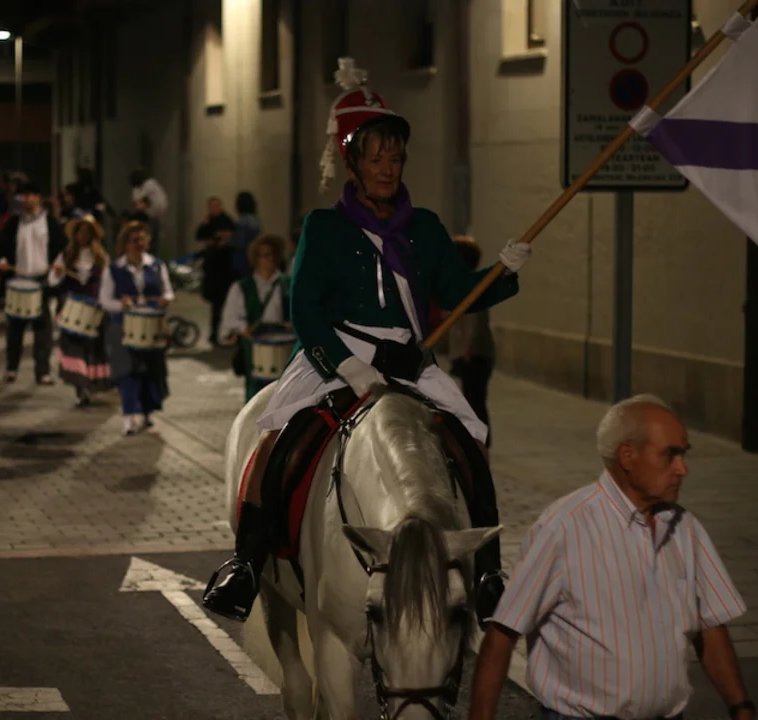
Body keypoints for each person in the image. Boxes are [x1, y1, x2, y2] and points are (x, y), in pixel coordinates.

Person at [202, 58, 531, 622]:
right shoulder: (324, 228)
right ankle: (247, 562)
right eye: (375, 158)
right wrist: (349, 366)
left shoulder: (425, 227)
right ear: (352, 162)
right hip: (334, 357)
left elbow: (458, 293)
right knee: (276, 440)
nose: (387, 168)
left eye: (395, 158)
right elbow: (305, 309)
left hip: (409, 360)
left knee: (472, 438)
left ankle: (487, 572)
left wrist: (502, 272)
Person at [468, 394, 755, 720]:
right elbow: (502, 634)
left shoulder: (685, 528)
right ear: (627, 456)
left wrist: (741, 706)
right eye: (670, 455)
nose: (682, 469)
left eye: (683, 455)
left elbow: (710, 625)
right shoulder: (564, 528)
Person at [99, 220, 174, 436]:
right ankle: (130, 417)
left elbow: (168, 291)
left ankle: (148, 412)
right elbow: (105, 300)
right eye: (134, 240)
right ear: (125, 243)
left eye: (142, 240)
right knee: (127, 372)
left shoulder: (157, 266)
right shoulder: (114, 269)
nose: (138, 244)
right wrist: (120, 305)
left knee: (152, 371)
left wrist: (165, 299)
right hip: (123, 328)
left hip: (152, 328)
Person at [0, 182, 68, 385]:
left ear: (38, 197)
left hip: (41, 279)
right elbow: (0, 246)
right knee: (15, 328)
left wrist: (57, 267)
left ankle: (42, 371)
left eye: (29, 195)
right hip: (18, 278)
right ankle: (11, 368)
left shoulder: (50, 223)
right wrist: (2, 260)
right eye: (22, 196)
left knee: (43, 329)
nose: (25, 200)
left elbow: (62, 249)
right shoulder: (13, 222)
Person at [48, 214, 115, 407]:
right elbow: (52, 281)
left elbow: (109, 282)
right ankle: (80, 389)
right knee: (75, 348)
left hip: (95, 309)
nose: (82, 235)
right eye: (80, 232)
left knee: (93, 349)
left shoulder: (101, 257)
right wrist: (57, 275)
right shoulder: (66, 255)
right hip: (73, 310)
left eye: (86, 232)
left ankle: (91, 385)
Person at [219, 234, 292, 401]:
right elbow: (229, 318)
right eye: (265, 255)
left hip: (285, 347)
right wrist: (243, 328)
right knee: (256, 397)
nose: (271, 258)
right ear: (256, 259)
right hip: (254, 347)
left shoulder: (289, 283)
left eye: (273, 254)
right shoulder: (241, 287)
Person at [445, 235, 496, 448]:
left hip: (474, 355)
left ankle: (480, 443)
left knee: (475, 401)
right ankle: (477, 441)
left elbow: (475, 321)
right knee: (472, 399)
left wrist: (468, 350)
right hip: (470, 353)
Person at [196, 196, 237, 346]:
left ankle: (232, 333)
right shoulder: (209, 221)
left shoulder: (227, 220)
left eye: (215, 206)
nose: (213, 209)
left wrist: (224, 238)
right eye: (211, 206)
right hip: (213, 268)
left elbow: (233, 236)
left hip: (225, 268)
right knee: (216, 304)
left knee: (228, 302)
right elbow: (199, 235)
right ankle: (214, 334)